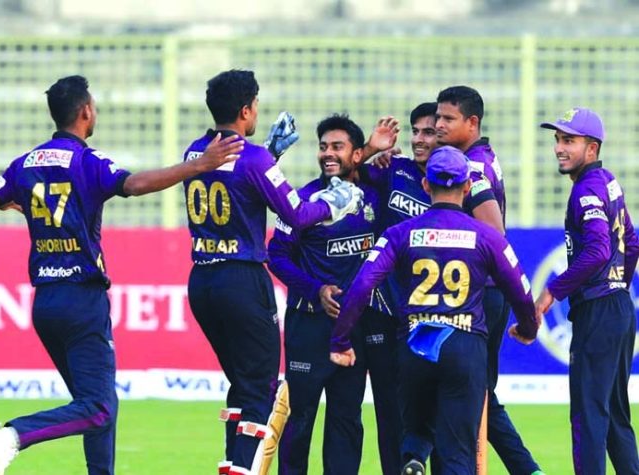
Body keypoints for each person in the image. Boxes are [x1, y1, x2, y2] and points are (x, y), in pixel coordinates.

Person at [0, 75, 244, 475]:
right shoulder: (86, 161)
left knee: (97, 405)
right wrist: (198, 165)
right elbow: (135, 184)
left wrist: (11, 203)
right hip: (82, 300)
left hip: (45, 304)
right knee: (97, 407)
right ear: (85, 112)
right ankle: (9, 436)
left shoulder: (24, 165)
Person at [182, 70, 371, 475]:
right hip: (243, 280)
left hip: (201, 280)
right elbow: (299, 214)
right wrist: (334, 203)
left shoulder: (195, 152)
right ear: (247, 109)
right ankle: (245, 469)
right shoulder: (253, 158)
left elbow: (237, 184)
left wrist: (269, 153)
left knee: (241, 383)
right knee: (264, 390)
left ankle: (233, 462)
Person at [328, 146, 540, 475]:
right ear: (468, 187)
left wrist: (341, 340)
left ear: (426, 185)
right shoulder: (487, 236)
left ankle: (414, 455)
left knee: (415, 428)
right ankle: (422, 454)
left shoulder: (399, 234)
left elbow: (361, 286)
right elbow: (521, 290)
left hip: (415, 343)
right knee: (457, 453)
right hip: (464, 345)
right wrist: (528, 327)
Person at [267, 114, 400, 475]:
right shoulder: (303, 199)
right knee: (300, 419)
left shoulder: (375, 196)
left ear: (356, 154)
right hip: (308, 326)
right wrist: (316, 291)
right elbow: (275, 256)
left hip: (353, 328)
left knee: (346, 419)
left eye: (337, 147)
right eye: (323, 146)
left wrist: (378, 153)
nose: (327, 153)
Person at [435, 85, 542, 475]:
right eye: (437, 117)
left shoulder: (473, 168)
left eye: (448, 119)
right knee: (478, 393)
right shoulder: (483, 158)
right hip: (486, 296)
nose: (438, 125)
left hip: (479, 297)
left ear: (472, 122)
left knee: (468, 394)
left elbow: (495, 236)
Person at [536, 108, 639, 475]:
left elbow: (596, 250)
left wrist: (552, 292)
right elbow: (633, 240)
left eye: (569, 141)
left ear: (591, 148)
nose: (559, 148)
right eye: (558, 140)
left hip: (599, 314)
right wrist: (617, 288)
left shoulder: (586, 190)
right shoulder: (608, 181)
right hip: (618, 310)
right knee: (613, 418)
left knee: (588, 419)